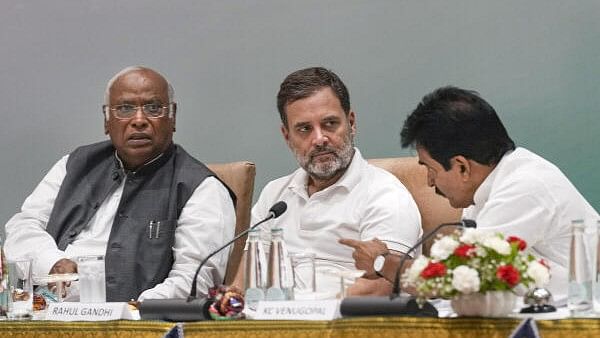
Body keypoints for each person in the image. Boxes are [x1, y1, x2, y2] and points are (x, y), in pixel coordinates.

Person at [4, 66, 236, 302]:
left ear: (172, 117)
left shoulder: (202, 188)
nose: (139, 120)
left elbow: (195, 280)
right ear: (107, 120)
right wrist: (51, 262)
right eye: (125, 109)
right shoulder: (74, 165)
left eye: (153, 108)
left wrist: (133, 312)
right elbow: (23, 227)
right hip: (46, 312)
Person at [347, 86, 599, 300]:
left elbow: (456, 282)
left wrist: (383, 262)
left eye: (430, 169)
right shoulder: (486, 192)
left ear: (462, 167)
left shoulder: (525, 187)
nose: (430, 181)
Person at [234, 67, 422, 296]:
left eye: (330, 124)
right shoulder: (275, 196)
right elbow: (244, 283)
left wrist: (299, 313)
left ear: (351, 122)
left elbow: (380, 289)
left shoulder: (385, 195)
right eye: (304, 129)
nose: (319, 139)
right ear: (287, 136)